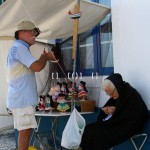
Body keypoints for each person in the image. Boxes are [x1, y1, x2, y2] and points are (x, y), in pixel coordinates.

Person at [6, 21, 57, 150]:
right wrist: (45, 57)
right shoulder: (20, 48)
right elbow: (37, 67)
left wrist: (43, 57)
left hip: (21, 98)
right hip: (22, 99)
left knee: (25, 132)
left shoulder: (19, 47)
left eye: (35, 32)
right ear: (21, 33)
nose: (34, 34)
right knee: (24, 133)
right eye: (31, 31)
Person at [80, 73, 149, 150]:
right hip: (116, 123)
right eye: (107, 94)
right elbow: (113, 110)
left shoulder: (131, 94)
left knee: (96, 134)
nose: (110, 96)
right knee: (88, 128)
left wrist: (115, 111)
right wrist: (107, 112)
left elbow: (134, 116)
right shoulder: (117, 92)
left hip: (129, 126)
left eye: (110, 93)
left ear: (117, 87)